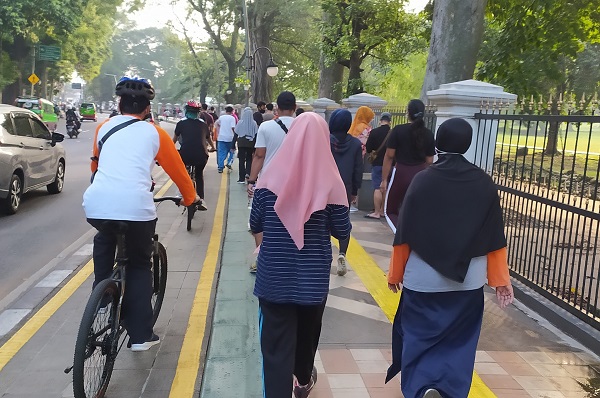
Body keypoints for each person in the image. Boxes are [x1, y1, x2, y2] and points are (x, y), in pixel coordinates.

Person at [385, 118, 514, 398]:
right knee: (460, 340)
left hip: (423, 278)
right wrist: (501, 280)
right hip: (469, 279)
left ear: (438, 142)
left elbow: (405, 232)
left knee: (419, 334)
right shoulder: (484, 183)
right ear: (467, 144)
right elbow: (494, 236)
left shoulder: (423, 180)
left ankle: (422, 387)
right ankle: (448, 389)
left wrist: (395, 273)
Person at [83, 76, 199, 351]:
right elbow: (179, 173)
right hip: (136, 209)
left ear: (119, 104)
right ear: (148, 108)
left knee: (104, 238)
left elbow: (95, 167)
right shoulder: (155, 133)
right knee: (138, 265)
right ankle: (140, 336)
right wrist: (190, 198)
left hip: (98, 204)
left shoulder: (103, 128)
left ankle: (102, 298)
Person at [250, 112, 351, 398]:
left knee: (276, 347)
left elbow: (256, 223)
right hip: (313, 280)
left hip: (274, 277)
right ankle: (303, 380)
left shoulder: (269, 179)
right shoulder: (332, 182)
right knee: (307, 336)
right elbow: (342, 229)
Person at [246, 91, 297, 273]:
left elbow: (259, 155)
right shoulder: (302, 126)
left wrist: (251, 180)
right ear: (295, 108)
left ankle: (262, 258)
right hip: (296, 185)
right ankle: (288, 260)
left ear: (277, 107)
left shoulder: (266, 127)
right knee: (289, 222)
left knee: (261, 221)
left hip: (269, 184)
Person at [381, 99, 435, 233]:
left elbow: (389, 155)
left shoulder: (398, 131)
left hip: (401, 172)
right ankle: (414, 235)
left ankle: (401, 234)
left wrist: (384, 179)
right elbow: (429, 161)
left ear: (408, 113)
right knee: (415, 209)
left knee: (390, 210)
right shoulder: (428, 134)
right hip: (420, 174)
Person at [329, 108, 363, 276]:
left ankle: (325, 256)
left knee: (323, 221)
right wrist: (355, 191)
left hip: (326, 188)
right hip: (345, 189)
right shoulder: (356, 144)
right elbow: (358, 169)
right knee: (343, 222)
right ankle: (342, 254)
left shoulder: (325, 141)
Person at [173, 100, 215, 210]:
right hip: (201, 155)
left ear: (186, 111)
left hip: (185, 155)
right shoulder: (203, 124)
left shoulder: (181, 123)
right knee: (199, 175)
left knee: (184, 174)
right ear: (199, 112)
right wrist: (213, 148)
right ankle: (200, 199)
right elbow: (209, 139)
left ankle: (182, 195)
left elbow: (173, 140)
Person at [364, 112, 393, 219]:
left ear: (380, 120)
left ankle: (376, 212)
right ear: (390, 121)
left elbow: (368, 148)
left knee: (377, 187)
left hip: (377, 163)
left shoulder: (374, 132)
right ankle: (382, 211)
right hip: (390, 164)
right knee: (386, 187)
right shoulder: (392, 133)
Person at [234, 107, 258, 183]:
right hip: (251, 143)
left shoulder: (240, 122)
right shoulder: (254, 123)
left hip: (241, 142)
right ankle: (248, 173)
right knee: (249, 159)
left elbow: (236, 134)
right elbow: (256, 134)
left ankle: (241, 178)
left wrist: (232, 145)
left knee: (241, 160)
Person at [215, 106, 237, 173]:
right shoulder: (232, 118)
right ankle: (229, 163)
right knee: (232, 151)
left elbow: (216, 123)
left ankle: (220, 167)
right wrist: (236, 136)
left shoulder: (221, 117)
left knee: (221, 152)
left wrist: (219, 131)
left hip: (221, 137)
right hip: (230, 138)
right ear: (232, 111)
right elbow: (233, 128)